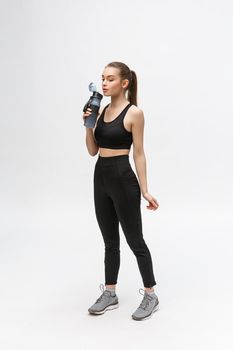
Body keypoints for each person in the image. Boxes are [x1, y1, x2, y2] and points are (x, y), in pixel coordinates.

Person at [82, 61, 160, 321]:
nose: (104, 83)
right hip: (101, 177)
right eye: (103, 78)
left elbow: (139, 153)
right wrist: (88, 125)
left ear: (124, 83)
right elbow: (93, 151)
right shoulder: (101, 109)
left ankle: (150, 294)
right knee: (109, 242)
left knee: (135, 240)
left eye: (110, 79)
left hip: (123, 179)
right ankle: (110, 292)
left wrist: (145, 190)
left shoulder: (134, 113)